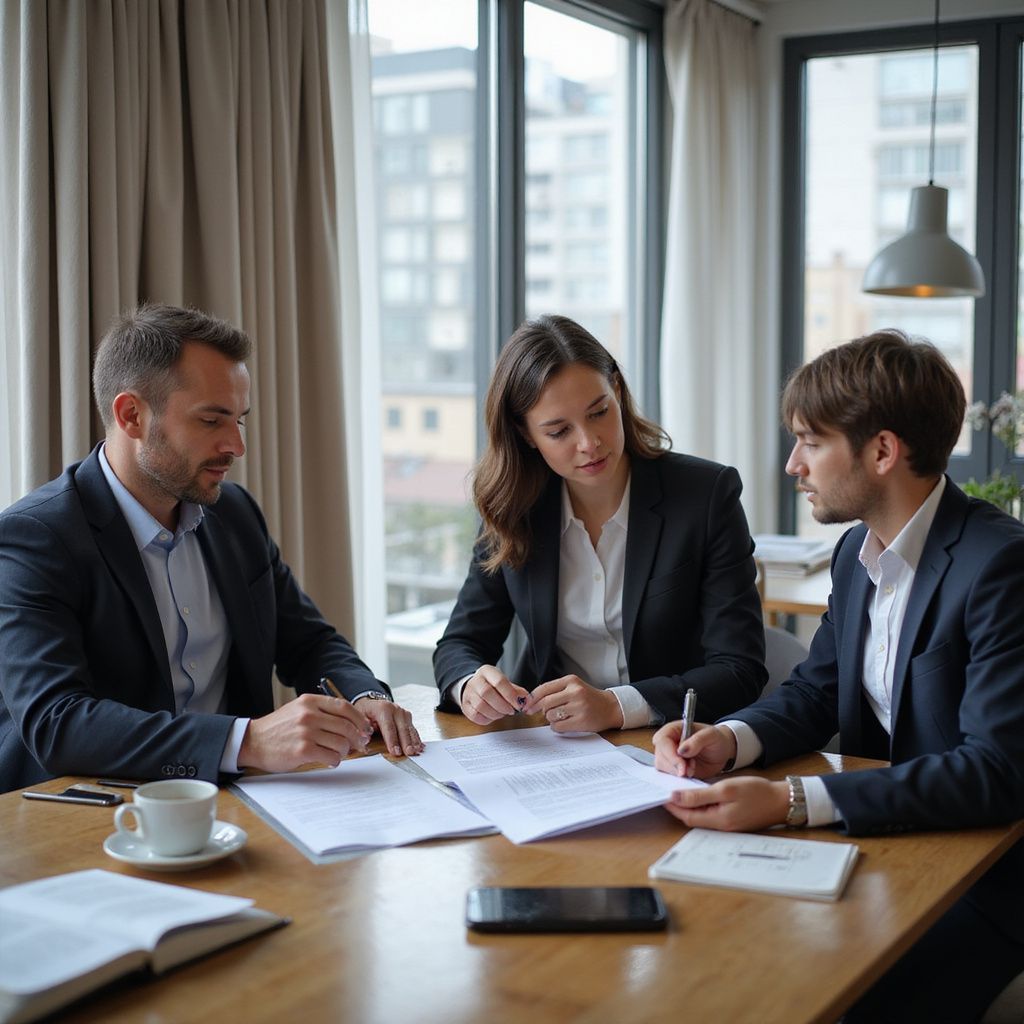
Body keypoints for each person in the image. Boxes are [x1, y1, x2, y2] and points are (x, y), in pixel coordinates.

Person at [653, 329, 1024, 1022]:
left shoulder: (998, 566)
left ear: (883, 452)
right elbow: (815, 690)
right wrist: (728, 740)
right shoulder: (858, 548)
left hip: (985, 878)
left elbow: (994, 773)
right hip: (885, 845)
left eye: (810, 441)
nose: (792, 463)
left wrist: (793, 800)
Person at [0, 303, 423, 793]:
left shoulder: (235, 515)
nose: (237, 446)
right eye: (211, 421)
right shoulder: (35, 538)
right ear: (131, 415)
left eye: (239, 420)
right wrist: (248, 742)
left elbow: (308, 642)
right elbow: (57, 722)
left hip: (238, 801)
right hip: (90, 811)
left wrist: (363, 694)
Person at [434, 314, 766, 733]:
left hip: (672, 744)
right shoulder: (514, 507)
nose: (589, 443)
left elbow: (740, 669)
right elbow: (460, 644)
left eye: (598, 412)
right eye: (558, 431)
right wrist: (470, 684)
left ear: (618, 390)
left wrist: (616, 706)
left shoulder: (705, 495)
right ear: (525, 434)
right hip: (551, 743)